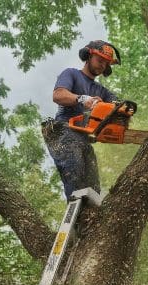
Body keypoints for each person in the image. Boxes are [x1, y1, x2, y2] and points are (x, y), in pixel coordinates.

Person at [46, 40, 120, 201]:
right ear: (88, 56)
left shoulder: (101, 90)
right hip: (64, 132)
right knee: (76, 176)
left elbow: (117, 105)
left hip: (83, 138)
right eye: (100, 60)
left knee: (93, 189)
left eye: (106, 64)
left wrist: (118, 109)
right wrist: (81, 99)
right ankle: (74, 208)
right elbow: (58, 95)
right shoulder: (71, 74)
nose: (102, 66)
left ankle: (87, 221)